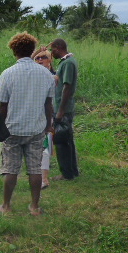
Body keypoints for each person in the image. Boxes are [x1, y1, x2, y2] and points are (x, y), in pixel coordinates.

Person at [0, 33, 55, 216]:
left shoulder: (7, 74)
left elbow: (2, 106)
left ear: (14, 51)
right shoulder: (45, 74)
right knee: (35, 168)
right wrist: (48, 125)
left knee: (10, 169)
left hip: (12, 129)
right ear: (31, 51)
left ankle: (6, 206)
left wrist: (0, 127)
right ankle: (34, 207)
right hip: (36, 129)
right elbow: (48, 104)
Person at [49, 38, 79, 180]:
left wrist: (60, 110)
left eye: (52, 49)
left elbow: (66, 87)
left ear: (59, 47)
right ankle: (72, 170)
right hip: (64, 107)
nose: (51, 53)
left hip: (63, 108)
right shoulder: (66, 62)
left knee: (61, 141)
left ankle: (66, 173)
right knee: (68, 139)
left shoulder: (67, 63)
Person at [31, 46, 58, 189]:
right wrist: (34, 53)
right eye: (37, 58)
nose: (40, 59)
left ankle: (44, 179)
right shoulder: (31, 73)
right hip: (32, 115)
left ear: (50, 60)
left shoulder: (53, 76)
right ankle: (38, 177)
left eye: (43, 57)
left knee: (45, 147)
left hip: (46, 116)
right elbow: (23, 61)